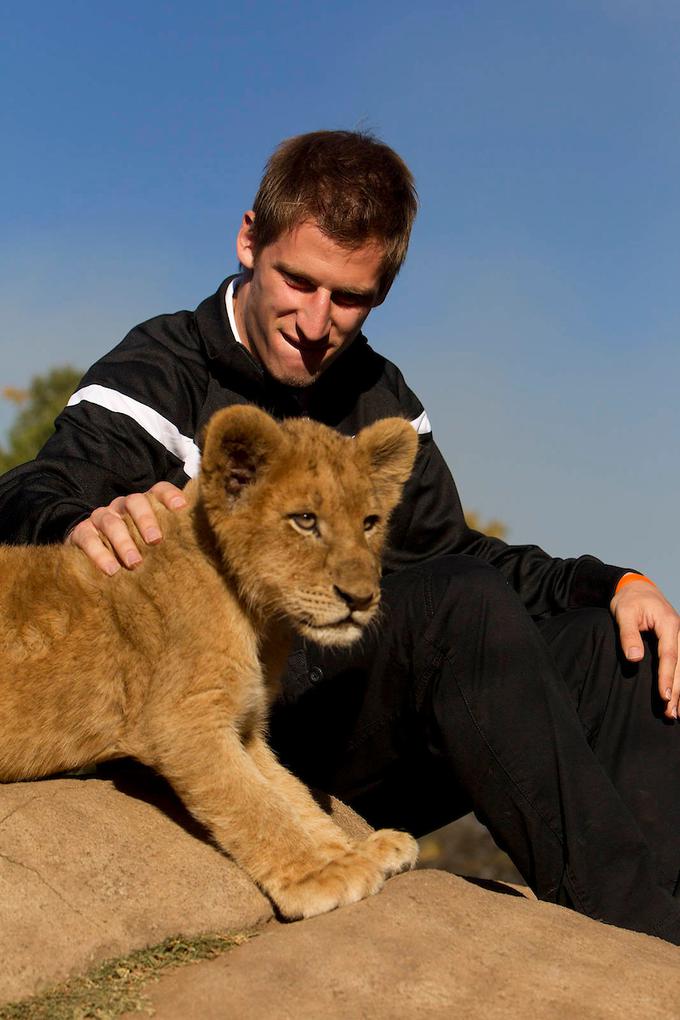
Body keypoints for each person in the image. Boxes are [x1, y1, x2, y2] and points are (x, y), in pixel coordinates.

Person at [2, 130, 680, 943]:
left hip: (326, 709)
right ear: (250, 240)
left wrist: (610, 583)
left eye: (350, 299)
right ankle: (643, 943)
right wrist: (77, 518)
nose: (316, 322)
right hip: (209, 708)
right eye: (297, 280)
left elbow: (457, 554)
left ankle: (653, 936)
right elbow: (35, 489)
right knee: (457, 609)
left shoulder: (378, 393)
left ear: (381, 290)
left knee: (616, 646)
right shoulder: (161, 370)